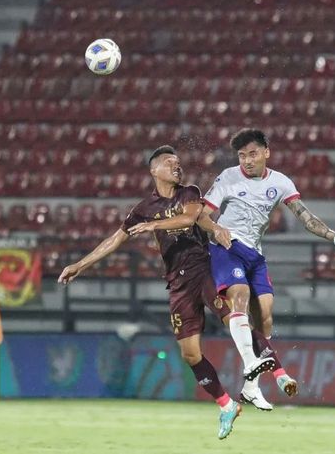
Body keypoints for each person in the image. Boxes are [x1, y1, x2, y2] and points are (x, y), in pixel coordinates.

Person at [58, 145, 275, 439]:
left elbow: (188, 219)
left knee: (234, 319)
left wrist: (153, 225)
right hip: (177, 284)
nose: (177, 166)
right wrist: (80, 264)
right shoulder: (143, 209)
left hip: (204, 270)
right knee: (189, 354)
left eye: (178, 162)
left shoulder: (190, 193)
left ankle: (275, 370)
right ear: (154, 169)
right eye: (169, 163)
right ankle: (226, 405)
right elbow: (114, 240)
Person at [199, 128, 335, 410]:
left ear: (266, 152)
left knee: (266, 317)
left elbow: (306, 218)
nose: (247, 160)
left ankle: (251, 387)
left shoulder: (281, 182)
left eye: (253, 154)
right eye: (242, 155)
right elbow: (201, 214)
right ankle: (252, 362)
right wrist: (216, 228)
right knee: (239, 297)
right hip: (227, 247)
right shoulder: (228, 177)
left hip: (255, 255)